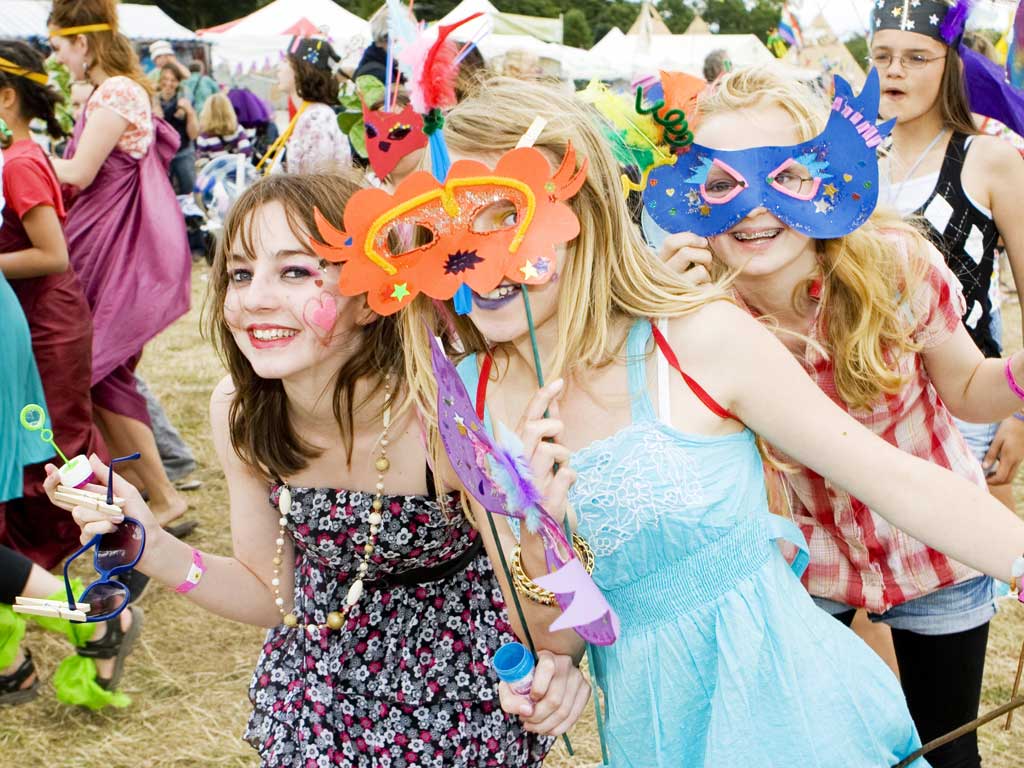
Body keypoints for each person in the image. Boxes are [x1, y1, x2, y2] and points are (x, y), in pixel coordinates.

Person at [400, 76, 1024, 767]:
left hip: (806, 724)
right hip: (658, 736)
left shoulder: (694, 339)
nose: (476, 257)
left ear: (584, 216)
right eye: (444, 225)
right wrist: (542, 551)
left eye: (504, 216)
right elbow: (557, 634)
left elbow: (894, 479)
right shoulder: (465, 404)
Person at [51, 173, 558, 767]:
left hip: (458, 690)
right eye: (240, 274)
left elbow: (541, 608)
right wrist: (152, 546)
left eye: (295, 272)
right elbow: (275, 598)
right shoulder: (239, 412)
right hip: (316, 690)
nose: (254, 298)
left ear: (374, 298)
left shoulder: (447, 419)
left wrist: (557, 662)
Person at [657, 65, 1023, 768]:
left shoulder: (897, 267)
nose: (753, 207)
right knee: (821, 745)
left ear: (832, 176)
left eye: (785, 176)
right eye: (721, 184)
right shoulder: (700, 315)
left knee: (948, 749)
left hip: (938, 553)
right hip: (805, 570)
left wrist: (1019, 378)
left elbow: (970, 389)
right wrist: (667, 323)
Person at [871, 1, 1024, 517]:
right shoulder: (852, 164)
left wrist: (1019, 417)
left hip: (965, 404)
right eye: (883, 56)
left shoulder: (990, 161)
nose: (895, 69)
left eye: (916, 57)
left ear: (950, 66)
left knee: (954, 570)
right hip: (867, 408)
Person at [47, 0, 190, 529]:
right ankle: (148, 490)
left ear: (82, 43)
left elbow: (79, 173)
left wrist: (19, 157)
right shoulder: (117, 91)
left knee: (100, 370)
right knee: (100, 373)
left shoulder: (117, 92)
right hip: (103, 244)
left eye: (59, 46)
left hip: (108, 250)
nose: (57, 58)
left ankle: (163, 493)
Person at [0, 40, 108, 568]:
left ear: (5, 100)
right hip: (32, 314)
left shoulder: (19, 164)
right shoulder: (16, 156)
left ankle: (78, 547)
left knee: (57, 438)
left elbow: (52, 255)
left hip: (48, 320)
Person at [263, 37, 350, 175]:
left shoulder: (316, 119)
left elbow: (313, 184)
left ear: (301, 70)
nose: (278, 68)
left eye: (285, 61)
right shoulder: (313, 114)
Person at [156, 63, 198, 195]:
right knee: (162, 194)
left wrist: (189, 112)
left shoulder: (184, 99)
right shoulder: (153, 100)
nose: (168, 83)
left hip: (183, 152)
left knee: (189, 191)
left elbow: (193, 135)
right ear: (160, 80)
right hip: (160, 155)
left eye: (173, 80)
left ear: (178, 82)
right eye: (165, 79)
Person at [196, 92, 253, 163]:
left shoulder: (204, 137)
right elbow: (246, 152)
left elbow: (203, 163)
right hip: (237, 171)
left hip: (216, 173)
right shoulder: (237, 130)